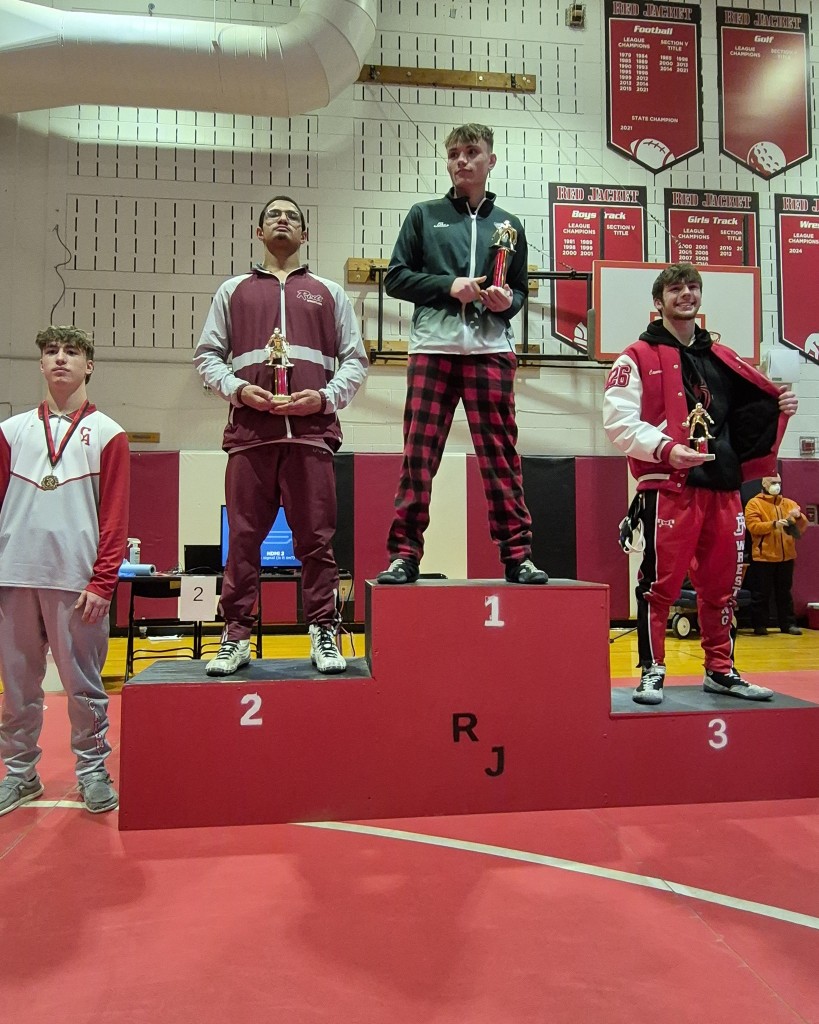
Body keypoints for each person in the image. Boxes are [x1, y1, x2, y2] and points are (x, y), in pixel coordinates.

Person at [602, 264, 798, 705]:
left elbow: (745, 414)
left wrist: (778, 405)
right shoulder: (635, 357)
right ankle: (652, 670)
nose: (686, 294)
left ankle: (721, 671)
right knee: (659, 586)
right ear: (659, 301)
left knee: (722, 589)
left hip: (723, 490)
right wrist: (667, 449)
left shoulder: (723, 358)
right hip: (669, 488)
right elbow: (618, 422)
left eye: (693, 287)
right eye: (676, 289)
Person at [195, 196, 368, 676]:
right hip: (251, 435)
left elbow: (356, 361)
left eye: (292, 216)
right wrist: (237, 390)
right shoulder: (232, 291)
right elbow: (207, 356)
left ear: (305, 234)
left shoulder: (330, 292)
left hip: (310, 435)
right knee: (243, 542)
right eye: (274, 215)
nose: (283, 221)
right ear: (259, 232)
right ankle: (235, 636)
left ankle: (323, 631)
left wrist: (325, 399)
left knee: (316, 542)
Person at [375, 123, 547, 587]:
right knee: (419, 456)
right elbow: (396, 278)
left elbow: (519, 291)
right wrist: (449, 286)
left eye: (471, 152)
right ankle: (403, 555)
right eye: (454, 154)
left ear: (491, 160)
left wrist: (505, 302)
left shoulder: (509, 225)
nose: (462, 161)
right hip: (433, 349)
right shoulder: (423, 215)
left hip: (491, 351)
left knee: (500, 457)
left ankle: (518, 556)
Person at [0, 326, 130, 816]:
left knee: (84, 687)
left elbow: (115, 516)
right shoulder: (11, 431)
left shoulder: (110, 434)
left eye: (71, 352)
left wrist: (103, 581)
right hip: (13, 576)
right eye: (51, 352)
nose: (60, 359)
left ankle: (92, 770)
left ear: (88, 366)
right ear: (40, 364)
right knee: (17, 689)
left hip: (77, 584)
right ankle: (19, 774)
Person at [744, 475, 807, 635]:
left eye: (778, 483)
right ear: (764, 484)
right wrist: (774, 525)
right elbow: (753, 526)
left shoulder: (789, 503)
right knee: (761, 594)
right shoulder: (754, 504)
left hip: (786, 556)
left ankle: (788, 624)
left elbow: (802, 527)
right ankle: (759, 625)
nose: (776, 486)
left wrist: (799, 516)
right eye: (773, 483)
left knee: (785, 593)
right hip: (763, 556)